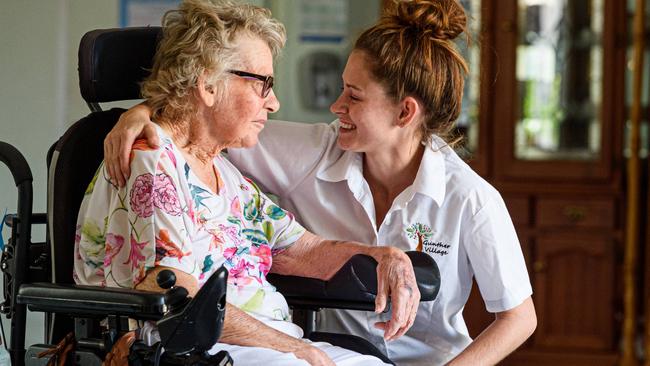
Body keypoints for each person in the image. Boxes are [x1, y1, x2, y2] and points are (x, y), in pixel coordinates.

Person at [103, 0, 537, 365]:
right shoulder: (308, 152)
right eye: (342, 88)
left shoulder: (470, 198)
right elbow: (204, 117)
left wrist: (383, 256)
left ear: (404, 113)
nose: (335, 105)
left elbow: (519, 317)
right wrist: (143, 115)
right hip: (298, 345)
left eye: (354, 95)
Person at [75, 1, 421, 365]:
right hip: (193, 348)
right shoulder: (153, 159)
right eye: (263, 85)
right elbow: (178, 295)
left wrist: (385, 256)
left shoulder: (223, 170)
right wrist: (298, 349)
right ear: (208, 85)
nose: (274, 102)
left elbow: (298, 249)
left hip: (260, 345)